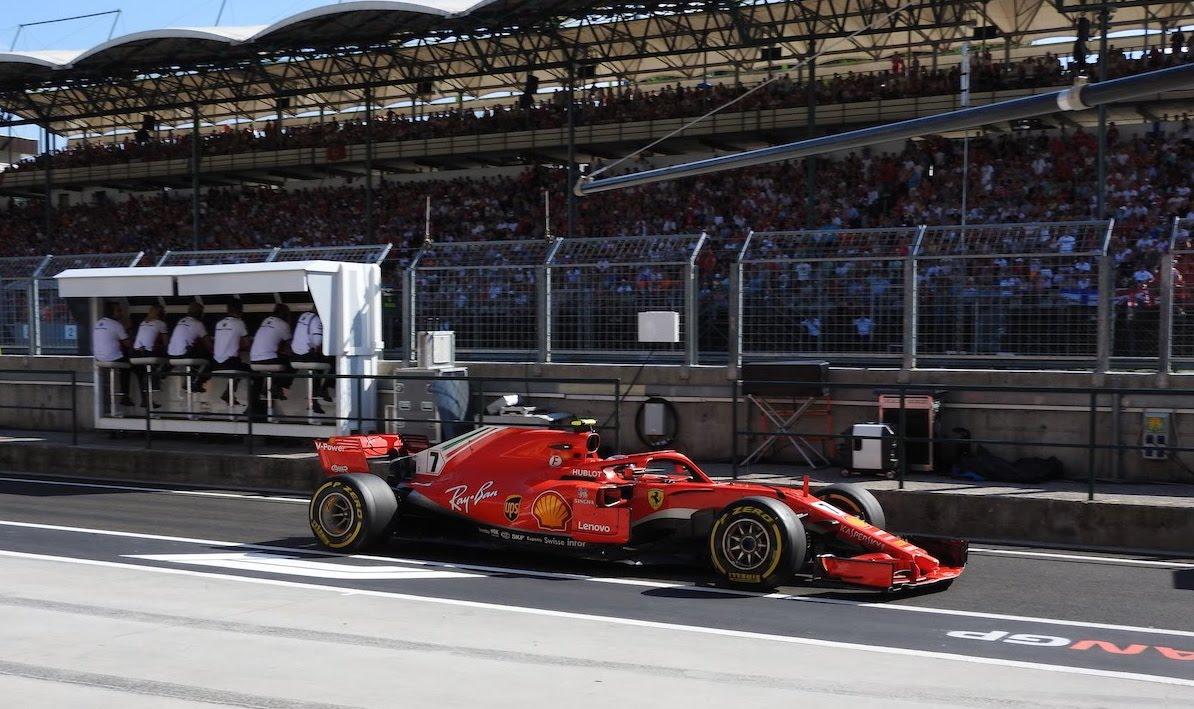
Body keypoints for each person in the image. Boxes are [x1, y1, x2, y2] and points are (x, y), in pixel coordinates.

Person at [249, 303, 294, 408]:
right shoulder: (283, 324)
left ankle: (270, 389)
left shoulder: (266, 320)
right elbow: (291, 346)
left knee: (277, 361)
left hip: (253, 360)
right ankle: (278, 387)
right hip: (268, 359)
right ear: (285, 315)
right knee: (291, 362)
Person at [291, 307, 334, 410]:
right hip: (307, 356)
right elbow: (317, 342)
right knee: (336, 361)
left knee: (317, 368)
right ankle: (325, 388)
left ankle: (314, 402)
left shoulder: (303, 316)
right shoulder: (317, 320)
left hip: (295, 355)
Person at [92, 301, 133, 406]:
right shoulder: (116, 325)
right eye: (119, 310)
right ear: (112, 312)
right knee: (128, 365)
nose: (121, 313)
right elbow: (128, 344)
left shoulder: (98, 323)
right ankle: (125, 396)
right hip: (111, 358)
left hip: (98, 358)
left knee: (123, 359)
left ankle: (121, 397)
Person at [211, 300, 252, 405]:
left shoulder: (219, 324)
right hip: (230, 363)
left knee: (238, 367)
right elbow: (247, 344)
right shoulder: (239, 323)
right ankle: (255, 404)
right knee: (255, 373)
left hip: (215, 364)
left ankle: (228, 393)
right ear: (240, 311)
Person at [167, 301, 212, 390]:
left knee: (197, 353)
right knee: (210, 359)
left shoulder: (181, 321)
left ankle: (190, 380)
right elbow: (209, 345)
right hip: (184, 355)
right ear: (200, 313)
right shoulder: (198, 324)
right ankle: (196, 381)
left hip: (171, 356)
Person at [131, 304, 168, 399]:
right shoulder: (161, 324)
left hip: (135, 355)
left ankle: (145, 401)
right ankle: (158, 377)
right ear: (161, 314)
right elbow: (166, 343)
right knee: (168, 357)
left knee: (142, 375)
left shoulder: (143, 323)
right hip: (147, 354)